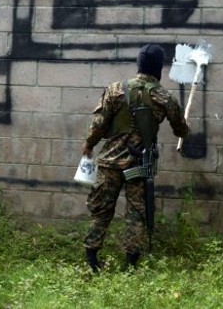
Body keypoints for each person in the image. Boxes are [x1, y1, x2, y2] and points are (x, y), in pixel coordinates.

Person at [81, 44, 189, 272]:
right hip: (139, 165)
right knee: (136, 214)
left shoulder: (115, 90)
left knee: (101, 210)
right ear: (158, 68)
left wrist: (89, 145)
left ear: (139, 64)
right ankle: (131, 265)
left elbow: (98, 125)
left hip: (109, 163)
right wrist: (184, 130)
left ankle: (91, 260)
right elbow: (181, 129)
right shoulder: (164, 98)